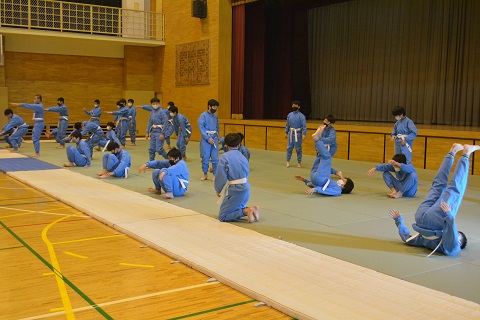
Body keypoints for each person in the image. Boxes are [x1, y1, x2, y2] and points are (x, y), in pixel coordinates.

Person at [390, 143, 480, 256]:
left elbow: (452, 239)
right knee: (437, 185)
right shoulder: (424, 241)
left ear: (459, 242)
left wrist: (449, 215)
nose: (455, 234)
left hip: (434, 220)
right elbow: (408, 239)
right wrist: (399, 221)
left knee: (455, 189)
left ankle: (465, 153)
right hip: (420, 217)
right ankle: (452, 152)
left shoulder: (452, 247)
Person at [214, 133, 259, 223]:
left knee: (223, 216)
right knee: (233, 207)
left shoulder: (224, 157)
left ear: (226, 145)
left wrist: (218, 189)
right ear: (239, 144)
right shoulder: (243, 156)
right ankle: (252, 210)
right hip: (245, 188)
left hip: (235, 190)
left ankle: (247, 210)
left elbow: (221, 176)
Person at [295, 130, 354, 196]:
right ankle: (318, 139)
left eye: (344, 181)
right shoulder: (333, 184)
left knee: (327, 157)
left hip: (321, 178)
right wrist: (305, 180)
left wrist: (316, 189)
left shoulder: (338, 190)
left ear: (345, 187)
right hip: (314, 177)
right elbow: (320, 185)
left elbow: (325, 190)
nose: (341, 179)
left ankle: (317, 139)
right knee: (320, 155)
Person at [198, 99, 220, 181]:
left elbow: (217, 127)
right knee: (205, 157)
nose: (215, 108)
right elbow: (201, 128)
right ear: (209, 106)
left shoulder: (215, 117)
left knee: (215, 157)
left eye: (216, 107)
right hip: (205, 139)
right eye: (214, 107)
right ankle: (205, 174)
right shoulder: (203, 116)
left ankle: (215, 174)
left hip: (214, 138)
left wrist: (217, 137)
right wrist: (207, 138)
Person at [285, 100, 307, 168]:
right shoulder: (289, 115)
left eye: (296, 105)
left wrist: (304, 134)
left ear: (299, 107)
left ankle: (299, 162)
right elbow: (287, 124)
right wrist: (286, 132)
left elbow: (304, 126)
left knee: (298, 148)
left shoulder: (301, 116)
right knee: (289, 148)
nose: (294, 106)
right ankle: (288, 161)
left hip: (298, 134)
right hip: (291, 133)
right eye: (293, 105)